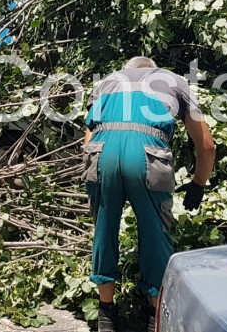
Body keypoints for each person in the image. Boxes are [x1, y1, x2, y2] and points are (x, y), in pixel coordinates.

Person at [83, 56, 215, 332]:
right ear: (153, 68)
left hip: (102, 154)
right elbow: (206, 145)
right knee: (155, 233)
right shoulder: (174, 81)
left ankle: (106, 314)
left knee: (104, 229)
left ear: (127, 70)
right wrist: (198, 183)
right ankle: (155, 313)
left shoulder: (107, 82)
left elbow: (88, 139)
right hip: (145, 156)